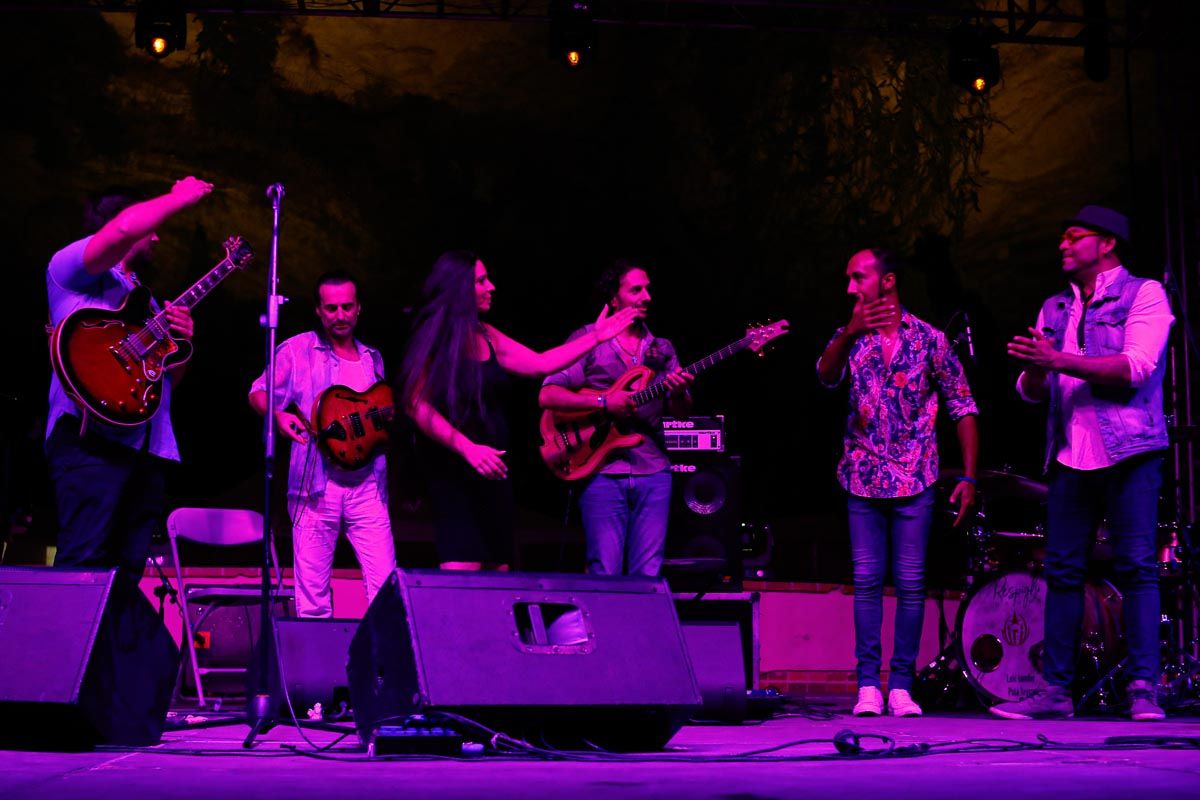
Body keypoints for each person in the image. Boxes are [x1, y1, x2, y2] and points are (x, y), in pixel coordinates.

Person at [994, 205, 1172, 721]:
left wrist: (1058, 360)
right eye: (1062, 238)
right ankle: (1056, 693)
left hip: (1130, 452)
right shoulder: (1053, 307)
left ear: (1108, 243)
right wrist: (1032, 371)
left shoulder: (1144, 294)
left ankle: (1143, 689)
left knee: (1137, 567)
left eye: (1074, 237)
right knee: (1063, 572)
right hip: (1071, 456)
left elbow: (1135, 367)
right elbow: (1032, 391)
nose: (1063, 246)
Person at [399, 251, 638, 571]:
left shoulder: (487, 334)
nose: (491, 287)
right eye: (481, 281)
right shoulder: (434, 337)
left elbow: (541, 364)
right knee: (462, 572)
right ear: (459, 288)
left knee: (499, 571)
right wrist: (468, 449)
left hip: (494, 471)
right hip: (456, 472)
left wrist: (595, 337)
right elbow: (415, 404)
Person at [817, 248, 979, 717]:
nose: (850, 287)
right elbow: (825, 377)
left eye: (857, 277)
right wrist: (849, 332)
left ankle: (901, 685)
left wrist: (968, 475)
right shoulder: (852, 338)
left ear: (886, 282)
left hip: (915, 475)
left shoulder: (929, 339)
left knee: (910, 583)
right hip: (863, 476)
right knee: (867, 581)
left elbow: (963, 406)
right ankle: (868, 684)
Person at [46, 177, 212, 587]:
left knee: (127, 573)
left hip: (146, 448)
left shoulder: (145, 300)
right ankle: (66, 652)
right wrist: (177, 199)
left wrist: (182, 341)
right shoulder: (69, 271)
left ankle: (110, 653)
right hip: (91, 442)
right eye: (149, 227)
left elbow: (168, 382)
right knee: (83, 564)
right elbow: (123, 230)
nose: (155, 237)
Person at [249, 271, 396, 617]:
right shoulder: (298, 350)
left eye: (347, 306)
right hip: (316, 488)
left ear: (359, 308)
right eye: (331, 308)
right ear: (318, 310)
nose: (340, 315)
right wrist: (278, 416)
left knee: (386, 589)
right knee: (312, 597)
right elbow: (257, 391)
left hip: (368, 488)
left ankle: (381, 668)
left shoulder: (373, 358)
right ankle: (318, 671)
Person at [539, 260, 694, 577]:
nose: (647, 296)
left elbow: (681, 413)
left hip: (654, 469)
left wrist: (679, 393)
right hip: (601, 470)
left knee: (648, 573)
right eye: (636, 289)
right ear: (613, 299)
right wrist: (604, 402)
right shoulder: (588, 340)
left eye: (648, 288)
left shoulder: (661, 348)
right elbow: (548, 394)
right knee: (603, 571)